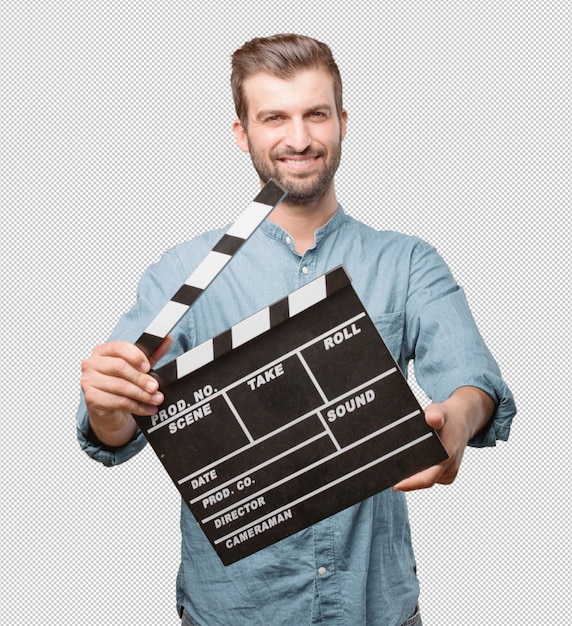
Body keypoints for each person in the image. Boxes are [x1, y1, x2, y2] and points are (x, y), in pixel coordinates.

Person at [77, 33, 516, 626]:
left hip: (373, 607)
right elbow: (118, 424)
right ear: (243, 133)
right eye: (274, 117)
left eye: (316, 114)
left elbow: (472, 380)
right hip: (230, 611)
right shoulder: (182, 273)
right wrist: (108, 403)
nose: (300, 138)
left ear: (342, 120)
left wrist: (457, 423)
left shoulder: (406, 262)